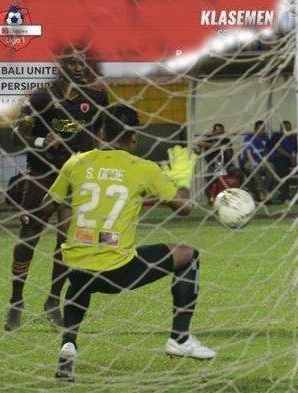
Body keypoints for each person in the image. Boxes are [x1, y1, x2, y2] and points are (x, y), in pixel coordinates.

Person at [39, 105, 214, 382]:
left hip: (75, 262)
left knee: (80, 281)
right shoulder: (143, 168)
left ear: (98, 132)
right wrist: (181, 180)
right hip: (118, 269)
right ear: (133, 137)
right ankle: (180, 339)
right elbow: (185, 208)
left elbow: (47, 207)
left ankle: (68, 343)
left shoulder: (76, 162)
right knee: (188, 254)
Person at [5, 46, 109, 331]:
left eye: (82, 63)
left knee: (67, 241)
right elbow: (17, 133)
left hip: (76, 177)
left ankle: (53, 301)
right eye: (71, 63)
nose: (78, 68)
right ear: (59, 65)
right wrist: (41, 142)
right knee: (29, 237)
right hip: (43, 175)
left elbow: (98, 135)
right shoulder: (41, 97)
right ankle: (16, 301)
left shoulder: (97, 97)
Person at [239, 120, 272, 202]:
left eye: (263, 129)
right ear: (255, 129)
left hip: (261, 161)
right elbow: (248, 151)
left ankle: (266, 190)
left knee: (271, 167)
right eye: (260, 129)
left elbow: (266, 150)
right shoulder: (248, 138)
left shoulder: (265, 138)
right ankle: (261, 191)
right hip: (248, 161)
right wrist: (253, 162)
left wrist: (265, 158)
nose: (262, 131)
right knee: (254, 169)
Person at [269, 120, 298, 203]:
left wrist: (294, 158)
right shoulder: (277, 136)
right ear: (282, 129)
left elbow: (296, 150)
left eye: (289, 128)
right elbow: (278, 149)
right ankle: (285, 197)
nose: (288, 129)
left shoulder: (293, 137)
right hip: (278, 159)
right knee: (283, 172)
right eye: (286, 128)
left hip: (290, 159)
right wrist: (290, 157)